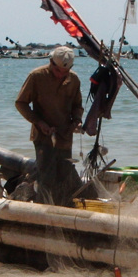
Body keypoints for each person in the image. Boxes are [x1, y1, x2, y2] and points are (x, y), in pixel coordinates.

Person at [14, 45, 84, 206]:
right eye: (57, 70)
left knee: (65, 177)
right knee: (46, 178)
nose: (60, 75)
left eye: (64, 72)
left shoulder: (74, 80)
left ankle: (62, 213)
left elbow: (77, 106)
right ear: (51, 62)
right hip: (43, 137)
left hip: (65, 137)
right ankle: (44, 215)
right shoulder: (36, 76)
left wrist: (77, 121)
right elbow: (21, 103)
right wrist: (39, 122)